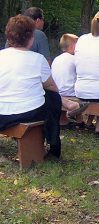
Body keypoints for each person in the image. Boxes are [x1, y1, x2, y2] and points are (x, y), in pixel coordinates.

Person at [0, 15, 62, 158]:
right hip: (29, 112)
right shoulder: (38, 59)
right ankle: (53, 146)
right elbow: (51, 86)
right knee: (53, 98)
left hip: (2, 115)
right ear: (30, 38)